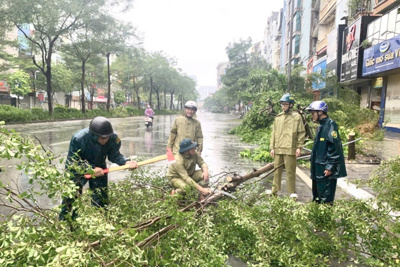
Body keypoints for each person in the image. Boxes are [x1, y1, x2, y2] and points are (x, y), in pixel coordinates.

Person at [59, 116, 138, 220]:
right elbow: (72, 163)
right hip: (78, 170)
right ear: (93, 135)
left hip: (100, 169)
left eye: (106, 138)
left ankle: (100, 221)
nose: (104, 141)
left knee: (101, 200)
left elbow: (114, 155)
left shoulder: (113, 138)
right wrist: (90, 169)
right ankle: (66, 224)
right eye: (101, 138)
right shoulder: (78, 139)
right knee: (71, 199)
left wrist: (126, 162)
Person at [306, 101, 347, 204]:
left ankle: (325, 218)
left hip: (325, 168)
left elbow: (335, 148)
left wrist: (330, 167)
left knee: (325, 197)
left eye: (313, 113)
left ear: (320, 112)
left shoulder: (330, 125)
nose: (312, 116)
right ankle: (317, 217)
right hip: (318, 167)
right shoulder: (321, 126)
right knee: (317, 196)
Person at [270, 93, 306, 198]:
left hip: (291, 148)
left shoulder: (297, 117)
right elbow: (273, 133)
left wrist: (299, 147)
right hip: (278, 148)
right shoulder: (278, 117)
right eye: (282, 104)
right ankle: (274, 191)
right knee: (276, 171)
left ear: (291, 105)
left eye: (285, 104)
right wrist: (272, 148)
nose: (283, 106)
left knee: (290, 171)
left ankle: (292, 192)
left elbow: (301, 132)